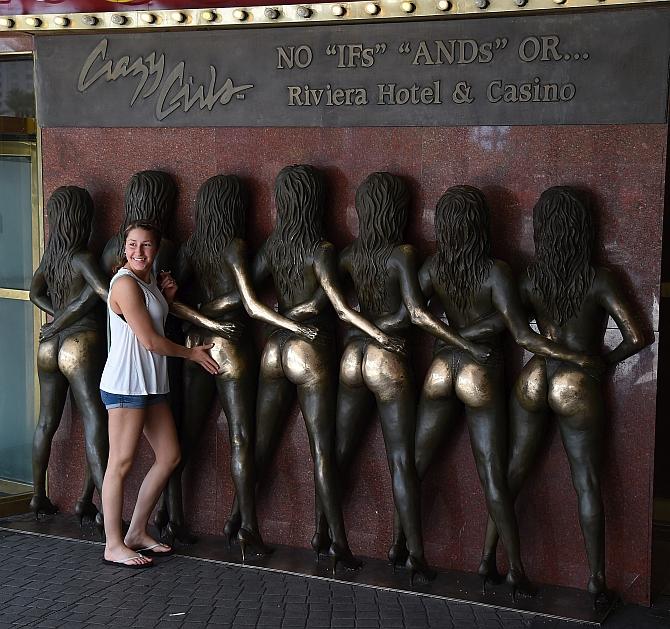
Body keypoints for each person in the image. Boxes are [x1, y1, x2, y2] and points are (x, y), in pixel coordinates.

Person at [390, 186, 600, 598]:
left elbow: (409, 315)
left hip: (439, 369)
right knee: (492, 472)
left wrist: (371, 327)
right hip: (480, 372)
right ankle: (513, 568)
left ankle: (404, 548)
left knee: (411, 463)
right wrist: (575, 357)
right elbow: (520, 332)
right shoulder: (496, 272)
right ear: (481, 224)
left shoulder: (432, 267)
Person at [225, 165, 402, 573]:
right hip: (311, 351)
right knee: (321, 449)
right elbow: (332, 304)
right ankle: (336, 540)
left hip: (273, 349)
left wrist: (281, 314)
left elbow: (245, 294)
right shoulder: (322, 250)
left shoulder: (272, 246)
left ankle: (242, 521)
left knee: (257, 443)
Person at [478, 187, 646, 606]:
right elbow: (637, 336)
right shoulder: (600, 279)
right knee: (586, 480)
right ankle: (596, 580)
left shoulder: (531, 278)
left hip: (534, 376)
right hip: (576, 383)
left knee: (512, 471)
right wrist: (603, 362)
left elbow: (513, 329)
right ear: (584, 229)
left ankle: (487, 558)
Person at [320, 173, 490, 585]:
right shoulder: (402, 255)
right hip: (388, 360)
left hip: (351, 356)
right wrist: (461, 344)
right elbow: (414, 313)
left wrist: (362, 324)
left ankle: (328, 536)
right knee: (401, 460)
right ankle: (414, 553)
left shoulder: (349, 255)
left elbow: (333, 298)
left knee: (335, 453)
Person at [163, 174, 317, 556]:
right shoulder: (235, 246)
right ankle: (248, 524)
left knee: (185, 435)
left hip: (194, 345)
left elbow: (170, 299)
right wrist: (217, 319)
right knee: (240, 437)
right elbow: (247, 300)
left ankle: (172, 515)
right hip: (230, 347)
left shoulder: (191, 248)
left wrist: (201, 315)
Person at [100, 220, 220, 568]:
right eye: (132, 245)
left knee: (169, 456)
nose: (138, 251)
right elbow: (150, 341)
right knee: (120, 463)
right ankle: (113, 544)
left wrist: (165, 299)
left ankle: (136, 532)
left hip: (150, 384)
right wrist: (191, 354)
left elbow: (152, 322)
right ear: (124, 248)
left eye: (146, 245)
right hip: (126, 385)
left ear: (156, 249)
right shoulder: (125, 283)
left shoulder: (148, 281)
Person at [29, 186, 110, 520]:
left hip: (50, 344)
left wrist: (56, 319)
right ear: (82, 219)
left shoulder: (51, 257)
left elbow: (35, 294)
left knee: (46, 421)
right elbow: (103, 292)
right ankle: (106, 508)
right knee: (95, 418)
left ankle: (38, 495)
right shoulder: (83, 257)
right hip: (81, 342)